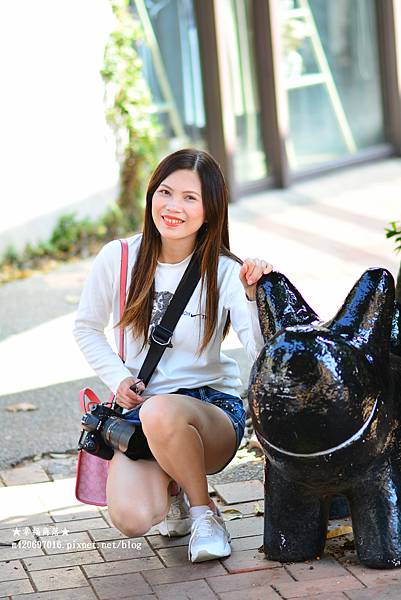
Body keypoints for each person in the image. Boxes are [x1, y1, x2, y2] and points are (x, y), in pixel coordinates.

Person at [73, 148, 272, 563]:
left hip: (210, 412)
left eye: (189, 198)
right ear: (151, 196)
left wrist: (255, 297)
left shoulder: (223, 271)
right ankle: (175, 486)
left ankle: (206, 514)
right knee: (132, 518)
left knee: (161, 412)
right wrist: (118, 378)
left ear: (210, 210)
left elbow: (260, 352)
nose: (172, 206)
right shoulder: (120, 257)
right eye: (165, 192)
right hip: (140, 411)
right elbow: (86, 328)